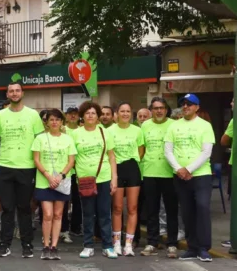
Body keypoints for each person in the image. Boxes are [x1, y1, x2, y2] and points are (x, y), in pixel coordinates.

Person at [0, 82, 45, 258]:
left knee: (24, 208)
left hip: (26, 167)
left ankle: (27, 244)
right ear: (7, 94)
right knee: (7, 208)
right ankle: (4, 244)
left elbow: (39, 143)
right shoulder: (0, 116)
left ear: (23, 93)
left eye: (17, 91)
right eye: (11, 91)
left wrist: (38, 168)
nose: (14, 94)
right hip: (5, 167)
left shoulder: (33, 115)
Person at [164, 94, 214, 262]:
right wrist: (179, 169)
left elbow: (206, 152)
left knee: (202, 208)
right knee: (187, 211)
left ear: (197, 107)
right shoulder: (173, 126)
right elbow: (168, 150)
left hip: (201, 175)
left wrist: (189, 168)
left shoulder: (205, 126)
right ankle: (192, 247)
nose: (186, 107)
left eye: (190, 104)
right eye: (183, 104)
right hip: (180, 175)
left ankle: (204, 247)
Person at [74, 101, 118, 259]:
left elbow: (112, 156)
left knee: (105, 213)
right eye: (87, 113)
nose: (90, 116)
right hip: (85, 180)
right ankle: (88, 245)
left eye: (93, 113)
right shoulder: (76, 134)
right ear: (83, 116)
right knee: (87, 214)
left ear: (97, 116)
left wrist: (114, 178)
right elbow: (71, 158)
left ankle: (108, 246)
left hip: (104, 177)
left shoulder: (104, 132)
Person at [32, 109, 76, 260]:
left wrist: (60, 175)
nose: (55, 122)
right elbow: (36, 159)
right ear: (47, 122)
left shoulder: (68, 139)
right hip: (44, 181)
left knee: (58, 215)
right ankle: (45, 245)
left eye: (57, 119)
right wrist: (48, 176)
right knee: (48, 215)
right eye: (51, 120)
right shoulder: (40, 138)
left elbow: (71, 161)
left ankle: (54, 246)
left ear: (62, 122)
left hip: (62, 181)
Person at [139, 97, 179, 258]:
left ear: (166, 109)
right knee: (152, 211)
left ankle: (172, 244)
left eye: (162, 108)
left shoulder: (174, 125)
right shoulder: (145, 125)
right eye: (155, 108)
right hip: (149, 172)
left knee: (171, 210)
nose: (159, 111)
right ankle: (152, 242)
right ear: (151, 110)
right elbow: (141, 148)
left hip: (169, 173)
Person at [108, 102, 142, 256]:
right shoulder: (109, 131)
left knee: (133, 208)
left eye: (128, 111)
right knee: (117, 208)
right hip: (117, 170)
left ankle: (128, 244)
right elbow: (110, 153)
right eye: (122, 111)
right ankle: (116, 242)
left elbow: (141, 150)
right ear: (117, 113)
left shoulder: (137, 130)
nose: (125, 114)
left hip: (133, 169)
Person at [62, 106, 82, 241]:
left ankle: (76, 226)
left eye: (75, 114)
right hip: (65, 170)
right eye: (70, 114)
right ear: (66, 116)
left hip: (79, 170)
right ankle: (63, 228)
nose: (73, 116)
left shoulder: (82, 130)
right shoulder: (63, 130)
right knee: (64, 201)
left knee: (78, 200)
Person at [220, 98, 234, 248]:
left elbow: (224, 141)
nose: (230, 104)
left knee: (236, 202)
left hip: (236, 164)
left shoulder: (235, 121)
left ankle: (235, 236)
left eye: (234, 101)